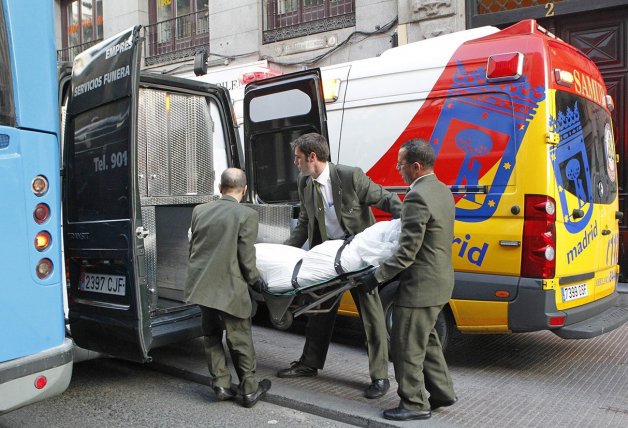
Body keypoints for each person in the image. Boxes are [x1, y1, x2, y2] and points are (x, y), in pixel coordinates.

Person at [277, 132, 402, 400]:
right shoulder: (305, 182)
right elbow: (304, 224)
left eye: (297, 158)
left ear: (312, 157)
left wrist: (406, 226)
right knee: (319, 311)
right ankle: (309, 364)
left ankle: (380, 377)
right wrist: (284, 253)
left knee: (371, 318)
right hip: (327, 259)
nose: (295, 162)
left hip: (358, 258)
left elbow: (387, 199)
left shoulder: (350, 176)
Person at [357, 139, 457, 421]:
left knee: (407, 346)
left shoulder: (417, 197)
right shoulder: (442, 190)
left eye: (400, 164)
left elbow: (407, 252)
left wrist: (375, 277)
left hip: (421, 285)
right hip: (440, 280)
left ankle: (413, 404)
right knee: (428, 340)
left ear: (415, 166)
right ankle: (442, 392)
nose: (398, 168)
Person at [184, 168, 271, 408]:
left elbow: (194, 247)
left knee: (211, 335)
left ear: (220, 188)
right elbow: (246, 258)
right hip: (231, 287)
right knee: (239, 337)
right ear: (244, 190)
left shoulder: (199, 210)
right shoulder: (247, 215)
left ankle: (221, 384)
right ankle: (250, 389)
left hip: (203, 284)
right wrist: (256, 281)